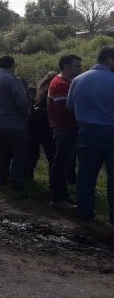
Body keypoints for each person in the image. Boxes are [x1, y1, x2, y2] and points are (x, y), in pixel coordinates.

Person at [66, 47, 114, 225]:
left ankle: (85, 213)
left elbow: (70, 105)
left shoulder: (78, 79)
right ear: (109, 60)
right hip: (111, 132)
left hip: (86, 131)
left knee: (86, 175)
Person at [0, 55, 30, 189]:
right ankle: (16, 180)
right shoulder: (13, 79)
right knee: (19, 151)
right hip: (13, 121)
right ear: (13, 66)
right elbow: (21, 100)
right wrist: (26, 113)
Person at [47, 54, 82, 210]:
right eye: (77, 66)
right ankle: (58, 198)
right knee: (61, 163)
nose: (80, 69)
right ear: (66, 66)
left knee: (63, 163)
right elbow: (64, 111)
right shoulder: (61, 84)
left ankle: (62, 196)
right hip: (65, 128)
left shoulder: (64, 82)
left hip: (63, 128)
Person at [26, 72, 57, 178]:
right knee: (49, 155)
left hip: (38, 126)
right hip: (45, 127)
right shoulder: (48, 92)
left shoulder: (41, 92)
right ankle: (53, 179)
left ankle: (28, 175)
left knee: (35, 153)